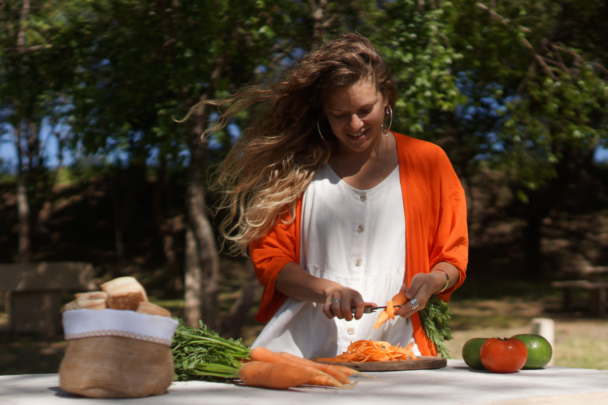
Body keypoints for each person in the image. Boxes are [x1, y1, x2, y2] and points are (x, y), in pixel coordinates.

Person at [199, 32, 468, 359]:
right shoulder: (296, 169)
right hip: (301, 354)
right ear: (324, 113)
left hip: (399, 354)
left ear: (387, 99)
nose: (354, 124)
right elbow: (271, 262)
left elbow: (452, 256)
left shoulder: (429, 162)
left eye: (364, 109)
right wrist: (326, 290)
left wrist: (435, 280)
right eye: (340, 114)